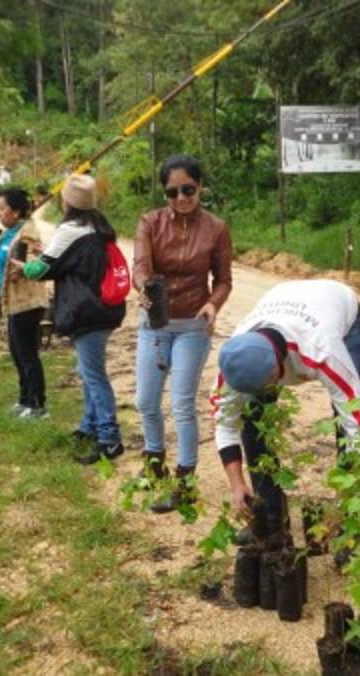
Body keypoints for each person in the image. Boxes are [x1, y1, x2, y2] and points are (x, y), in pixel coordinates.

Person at [212, 280, 360, 539]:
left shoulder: (322, 350)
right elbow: (225, 423)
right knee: (252, 418)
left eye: (266, 386)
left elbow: (358, 422)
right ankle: (271, 516)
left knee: (345, 420)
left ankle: (353, 522)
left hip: (338, 307)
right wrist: (236, 484)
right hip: (281, 297)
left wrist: (349, 498)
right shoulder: (234, 360)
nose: (265, 393)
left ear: (278, 367)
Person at [133, 155, 233, 513]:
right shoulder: (150, 223)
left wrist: (213, 305)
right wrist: (143, 287)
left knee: (181, 404)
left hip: (193, 325)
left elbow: (223, 280)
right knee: (145, 401)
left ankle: (186, 481)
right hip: (155, 322)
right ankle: (154, 462)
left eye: (187, 190)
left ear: (200, 187)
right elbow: (141, 265)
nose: (180, 199)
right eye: (172, 192)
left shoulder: (216, 228)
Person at [18, 174, 126, 464]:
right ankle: (89, 427)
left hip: (86, 311)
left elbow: (40, 270)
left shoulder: (70, 229)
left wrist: (23, 265)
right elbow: (71, 262)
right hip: (102, 309)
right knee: (87, 371)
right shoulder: (98, 226)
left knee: (93, 376)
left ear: (67, 201)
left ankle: (109, 439)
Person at [0, 188, 50, 419]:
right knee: (17, 352)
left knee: (27, 354)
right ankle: (25, 400)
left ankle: (38, 405)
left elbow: (34, 261)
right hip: (14, 303)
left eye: (2, 208)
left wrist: (24, 268)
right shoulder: (10, 234)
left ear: (16, 211)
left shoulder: (28, 235)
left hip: (27, 303)